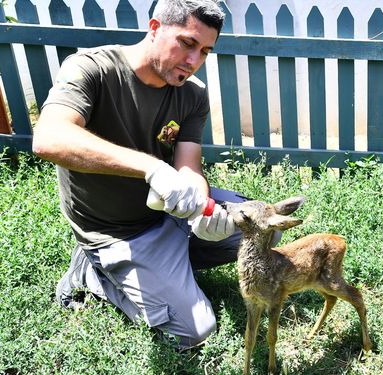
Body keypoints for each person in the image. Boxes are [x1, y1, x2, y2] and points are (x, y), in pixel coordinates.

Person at [33, 0, 241, 349]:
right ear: (155, 27)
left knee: (257, 231)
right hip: (117, 231)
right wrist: (151, 167)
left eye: (205, 51)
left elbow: (188, 164)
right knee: (194, 332)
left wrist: (200, 205)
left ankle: (166, 270)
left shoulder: (192, 94)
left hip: (168, 212)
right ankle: (92, 271)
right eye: (188, 43)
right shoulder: (92, 68)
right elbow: (49, 138)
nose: (194, 61)